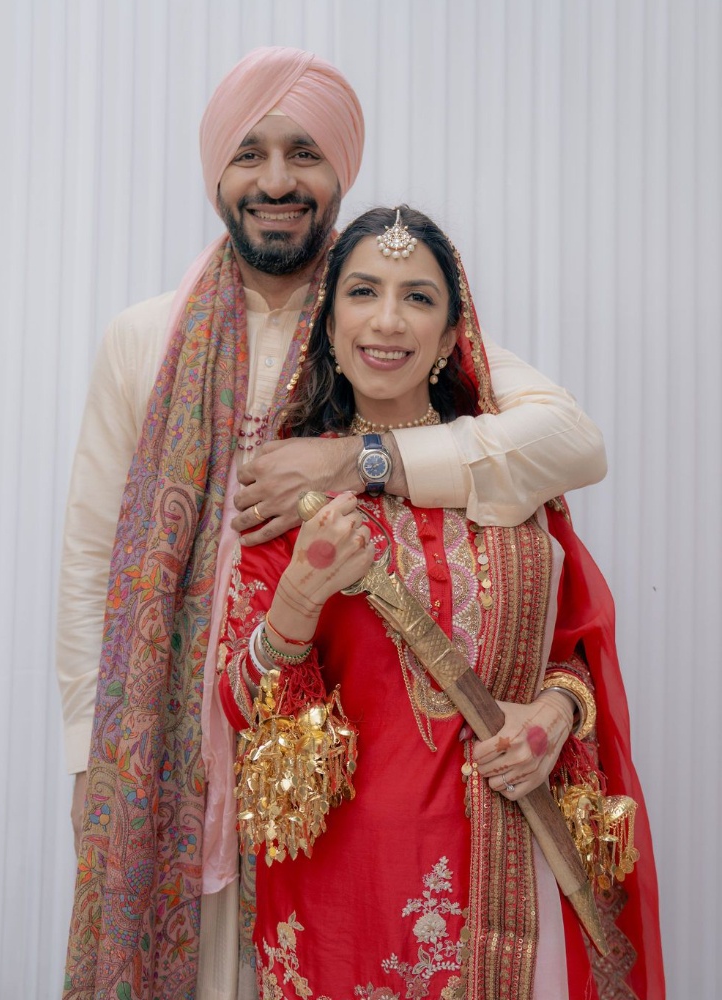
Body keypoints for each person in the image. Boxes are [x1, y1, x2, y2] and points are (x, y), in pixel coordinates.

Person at [58, 50, 608, 1000]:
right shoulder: (144, 339)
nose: (276, 182)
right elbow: (94, 561)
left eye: (304, 153)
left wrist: (363, 458)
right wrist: (91, 759)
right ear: (215, 173)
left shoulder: (379, 317)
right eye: (249, 155)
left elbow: (570, 442)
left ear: (341, 171)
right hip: (172, 746)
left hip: (335, 766)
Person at [218, 206, 664, 998]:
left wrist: (552, 719)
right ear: (328, 324)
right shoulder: (291, 494)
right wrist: (298, 596)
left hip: (518, 873)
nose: (388, 321)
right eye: (363, 292)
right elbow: (238, 707)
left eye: (418, 298)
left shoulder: (505, 479)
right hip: (349, 896)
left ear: (455, 335)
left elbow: (575, 651)